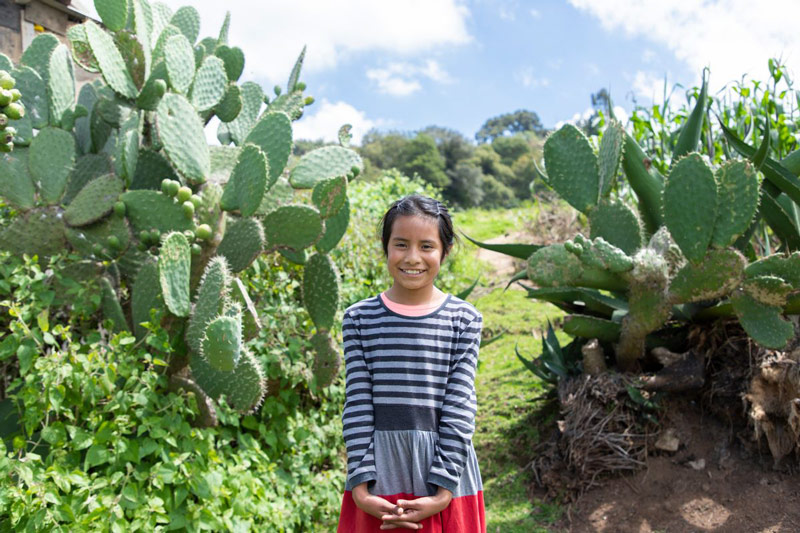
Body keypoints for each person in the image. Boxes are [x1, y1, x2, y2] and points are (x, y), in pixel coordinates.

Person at [337, 195, 486, 532]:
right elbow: (358, 404)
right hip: (378, 478)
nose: (413, 257)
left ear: (445, 251)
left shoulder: (464, 320)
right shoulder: (359, 319)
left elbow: (460, 407)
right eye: (401, 244)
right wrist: (361, 487)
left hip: (444, 480)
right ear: (385, 247)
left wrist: (442, 491)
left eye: (427, 246)